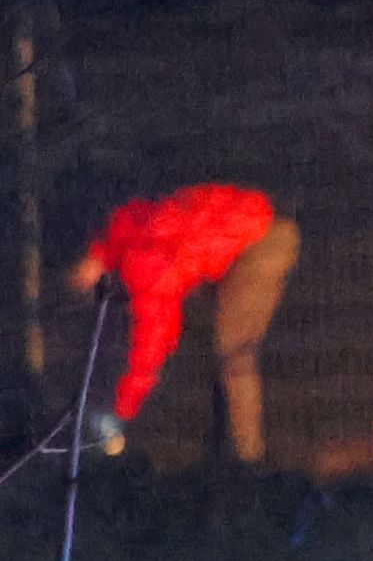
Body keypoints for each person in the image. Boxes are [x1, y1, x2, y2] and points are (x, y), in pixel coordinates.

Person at [64, 182, 299, 462]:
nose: (86, 287)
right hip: (256, 230)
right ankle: (224, 447)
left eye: (81, 281)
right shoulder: (126, 226)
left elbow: (151, 339)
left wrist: (123, 410)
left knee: (234, 350)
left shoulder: (141, 258)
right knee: (218, 344)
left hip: (261, 240)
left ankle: (246, 458)